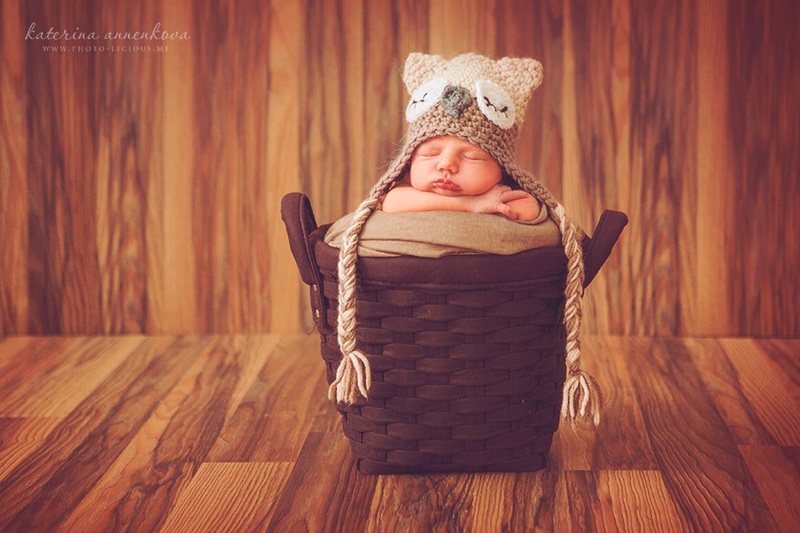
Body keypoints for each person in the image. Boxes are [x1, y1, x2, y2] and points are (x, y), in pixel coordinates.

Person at [381, 135, 541, 221]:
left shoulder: (500, 193)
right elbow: (391, 203)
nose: (446, 164)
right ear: (409, 162)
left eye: (472, 157)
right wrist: (472, 204)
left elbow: (528, 210)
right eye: (430, 154)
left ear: (503, 170)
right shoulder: (404, 190)